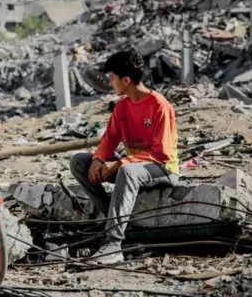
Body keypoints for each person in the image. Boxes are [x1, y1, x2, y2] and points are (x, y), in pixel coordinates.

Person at [69, 48, 180, 264]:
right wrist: (98, 160)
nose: (111, 83)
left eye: (112, 78)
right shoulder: (122, 106)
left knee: (128, 172)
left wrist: (121, 163)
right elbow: (109, 139)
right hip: (132, 167)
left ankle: (112, 245)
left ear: (126, 80)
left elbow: (162, 153)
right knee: (79, 162)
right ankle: (111, 216)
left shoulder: (159, 105)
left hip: (162, 168)